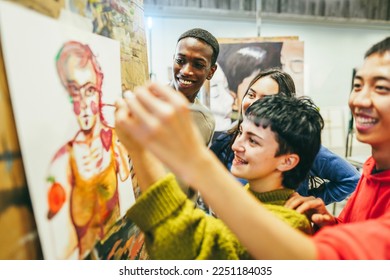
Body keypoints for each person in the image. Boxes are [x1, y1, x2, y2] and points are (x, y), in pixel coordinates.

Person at [116, 37, 390, 259]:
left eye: (381, 88)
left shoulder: (289, 217)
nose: (361, 99)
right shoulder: (372, 171)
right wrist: (334, 225)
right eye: (357, 85)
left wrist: (186, 159)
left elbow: (194, 244)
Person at [116, 90, 323, 259]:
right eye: (241, 133)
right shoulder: (249, 195)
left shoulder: (290, 225)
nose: (236, 145)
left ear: (287, 161)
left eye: (253, 141)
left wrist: (139, 149)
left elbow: (189, 250)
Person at [211, 68, 360, 205]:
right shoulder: (225, 142)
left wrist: (310, 200)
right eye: (251, 94)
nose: (254, 104)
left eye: (266, 100)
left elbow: (351, 179)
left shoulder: (298, 145)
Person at [45, 41, 134, 259]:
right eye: (75, 92)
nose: (84, 103)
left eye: (90, 90)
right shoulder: (62, 161)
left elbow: (130, 211)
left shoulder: (116, 143)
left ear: (100, 90)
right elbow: (63, 250)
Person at [170, 28, 219, 146]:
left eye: (198, 65)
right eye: (180, 60)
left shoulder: (206, 121)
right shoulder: (147, 104)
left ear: (211, 71)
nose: (186, 71)